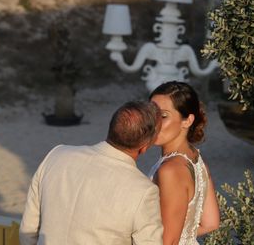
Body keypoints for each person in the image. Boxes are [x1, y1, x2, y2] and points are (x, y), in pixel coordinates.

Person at [19, 101, 164, 245]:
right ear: (144, 147)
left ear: (112, 128)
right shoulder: (143, 190)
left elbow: (28, 231)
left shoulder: (57, 155)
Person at [148, 81, 220, 245]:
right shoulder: (196, 159)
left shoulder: (170, 170)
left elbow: (168, 242)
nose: (154, 122)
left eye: (164, 116)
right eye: (151, 113)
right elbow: (211, 223)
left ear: (187, 121)